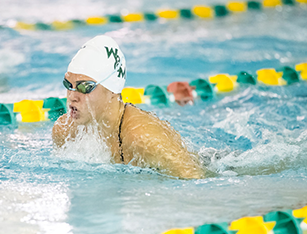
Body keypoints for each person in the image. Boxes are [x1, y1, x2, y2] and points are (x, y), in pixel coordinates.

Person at [52, 35, 203, 179]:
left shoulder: (144, 139)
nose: (72, 96)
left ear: (112, 89)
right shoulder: (64, 132)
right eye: (68, 85)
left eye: (84, 87)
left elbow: (196, 180)